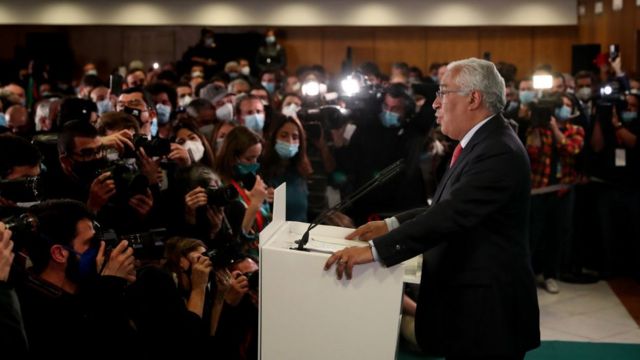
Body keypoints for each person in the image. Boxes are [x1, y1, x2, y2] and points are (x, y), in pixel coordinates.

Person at [325, 58, 540, 360]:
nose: (435, 104)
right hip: (470, 306)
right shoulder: (479, 142)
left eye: (443, 93)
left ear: (473, 98)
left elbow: (452, 214)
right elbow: (445, 205)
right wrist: (391, 225)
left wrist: (375, 250)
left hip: (489, 311)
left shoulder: (498, 150)